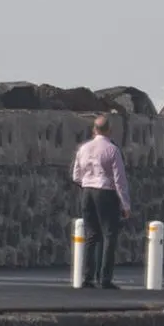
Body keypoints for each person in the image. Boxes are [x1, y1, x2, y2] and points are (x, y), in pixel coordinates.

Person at [70, 115, 131, 290]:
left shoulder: (83, 148)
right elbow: (120, 180)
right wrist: (125, 204)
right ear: (109, 130)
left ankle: (88, 277)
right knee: (109, 235)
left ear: (94, 129)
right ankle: (105, 278)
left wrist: (87, 183)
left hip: (87, 191)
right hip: (106, 192)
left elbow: (76, 175)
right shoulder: (112, 150)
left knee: (91, 235)